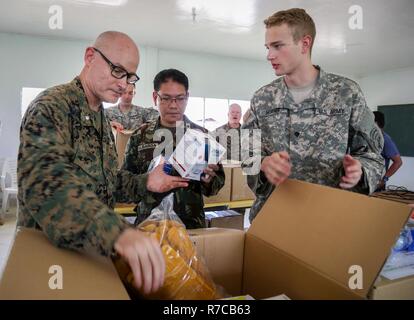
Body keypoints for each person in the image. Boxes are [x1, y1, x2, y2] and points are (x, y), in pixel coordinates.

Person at [18, 31, 189, 294]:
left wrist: (147, 182)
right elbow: (48, 188)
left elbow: (108, 183)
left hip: (91, 256)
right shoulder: (52, 107)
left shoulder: (99, 116)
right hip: (51, 261)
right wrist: (118, 233)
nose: (124, 85)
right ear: (90, 57)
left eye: (130, 77)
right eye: (118, 71)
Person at [242, 8, 385, 222]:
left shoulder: (346, 93)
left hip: (329, 221)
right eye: (268, 47)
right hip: (273, 219)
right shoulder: (262, 98)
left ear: (305, 43)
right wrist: (262, 164)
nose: (269, 55)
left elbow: (374, 155)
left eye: (278, 46)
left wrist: (360, 170)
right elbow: (244, 152)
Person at [118, 69, 225, 229]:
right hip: (150, 224)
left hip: (190, 226)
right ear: (155, 97)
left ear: (187, 97)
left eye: (180, 98)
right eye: (166, 98)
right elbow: (124, 184)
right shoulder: (139, 136)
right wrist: (147, 181)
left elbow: (215, 186)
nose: (174, 105)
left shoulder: (202, 136)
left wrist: (209, 179)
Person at [373, 111, 403, 190]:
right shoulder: (370, 137)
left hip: (377, 184)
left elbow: (398, 162)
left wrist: (384, 179)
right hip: (366, 180)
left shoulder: (386, 140)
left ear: (375, 123)